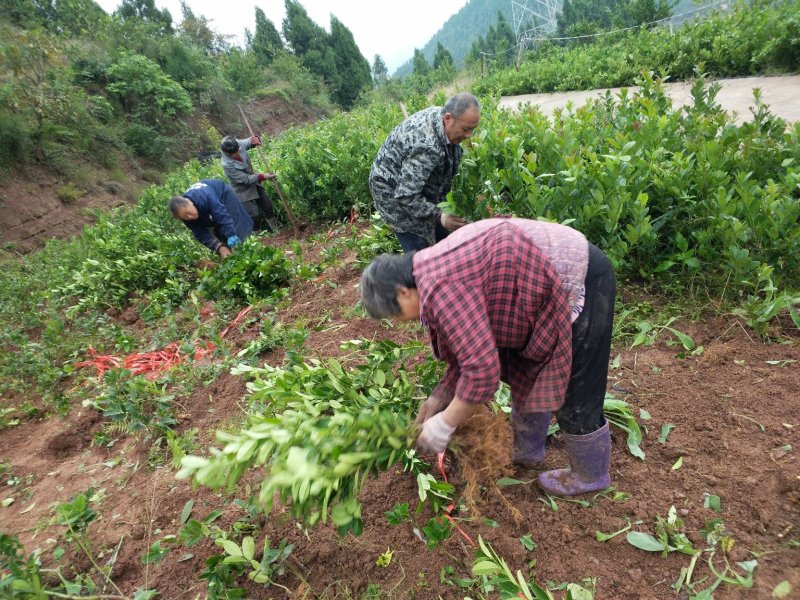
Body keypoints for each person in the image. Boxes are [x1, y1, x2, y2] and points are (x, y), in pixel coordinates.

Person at [359, 218, 617, 496]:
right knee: (525, 368)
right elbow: (466, 354)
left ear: (402, 291)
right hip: (531, 286)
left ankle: (590, 475)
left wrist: (445, 424)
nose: (400, 322)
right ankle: (528, 449)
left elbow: (482, 373)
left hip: (580, 275)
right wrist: (438, 398)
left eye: (395, 314)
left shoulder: (441, 286)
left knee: (578, 390)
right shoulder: (427, 272)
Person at [369, 92, 481, 253]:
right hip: (391, 191)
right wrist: (440, 215)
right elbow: (405, 196)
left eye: (473, 129)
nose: (469, 135)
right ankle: (421, 273)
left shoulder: (443, 120)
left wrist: (441, 213)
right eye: (466, 129)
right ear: (448, 118)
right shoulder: (428, 146)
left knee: (442, 236)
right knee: (420, 247)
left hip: (411, 184)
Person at [169, 179, 253, 259]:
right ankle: (228, 251)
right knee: (220, 233)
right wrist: (219, 247)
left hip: (222, 193)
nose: (189, 217)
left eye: (188, 213)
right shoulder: (184, 214)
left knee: (237, 223)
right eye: (185, 217)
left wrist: (231, 235)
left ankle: (249, 247)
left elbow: (221, 215)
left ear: (189, 202)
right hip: (207, 206)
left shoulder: (205, 196)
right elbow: (200, 233)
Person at [220, 134, 279, 232]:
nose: (238, 153)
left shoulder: (237, 144)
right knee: (254, 215)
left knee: (267, 205)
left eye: (238, 150)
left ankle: (276, 229)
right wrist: (263, 176)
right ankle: (259, 236)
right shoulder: (226, 164)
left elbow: (247, 142)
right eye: (235, 154)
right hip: (242, 189)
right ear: (228, 154)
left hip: (254, 182)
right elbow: (246, 179)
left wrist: (253, 140)